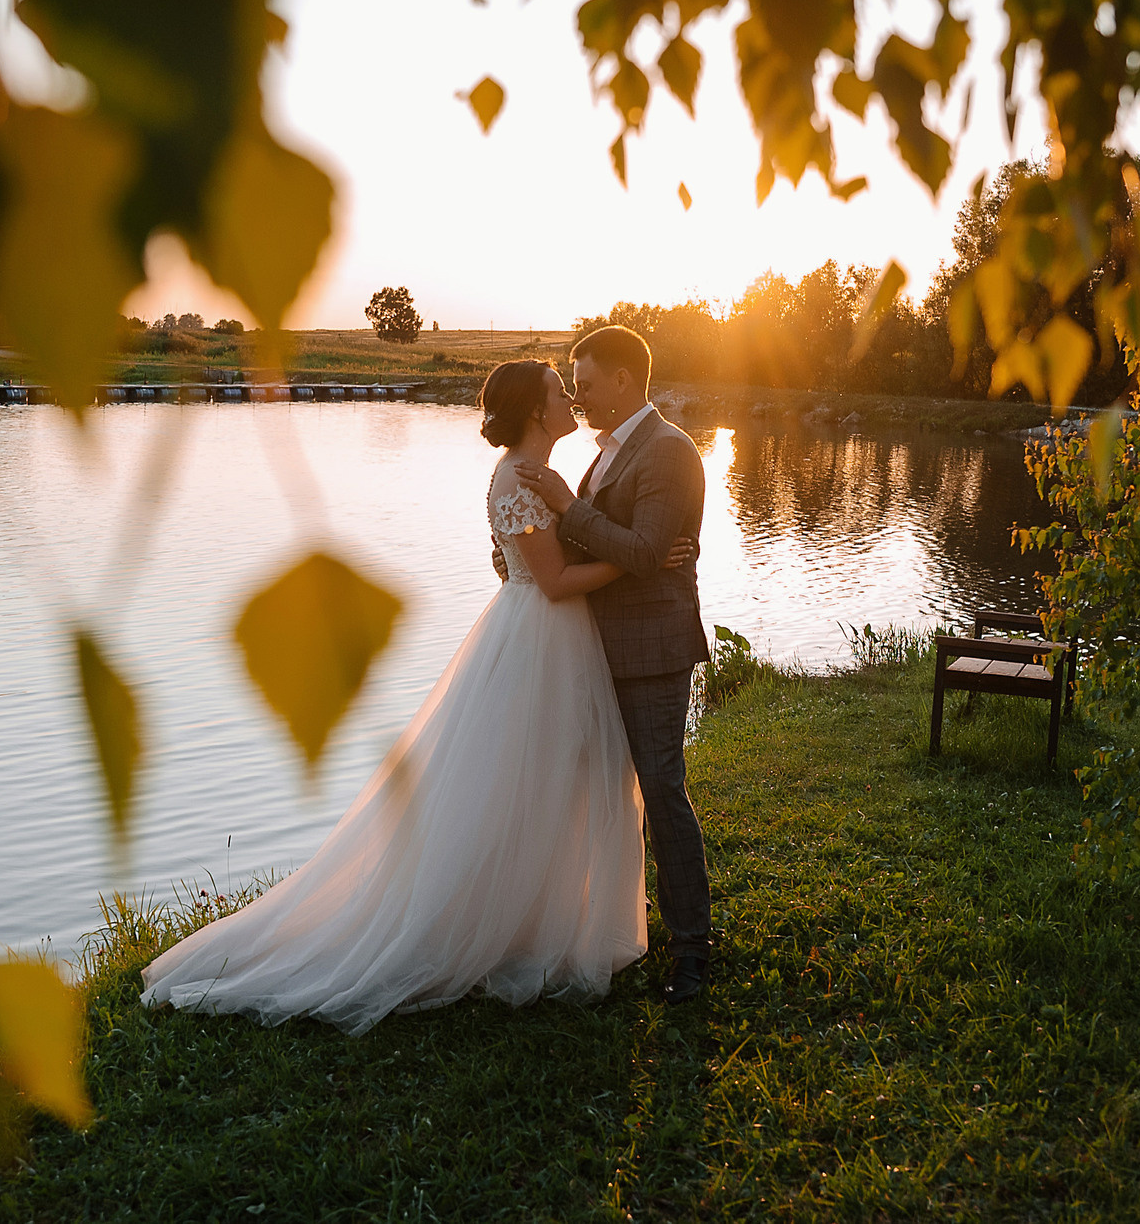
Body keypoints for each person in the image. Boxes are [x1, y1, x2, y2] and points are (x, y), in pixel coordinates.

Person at [139, 359, 691, 1033]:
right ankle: (486, 928)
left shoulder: (544, 475)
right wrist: (641, 556)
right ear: (536, 412)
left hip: (554, 638)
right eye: (558, 389)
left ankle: (539, 920)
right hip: (540, 634)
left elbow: (536, 552)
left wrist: (583, 537)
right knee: (516, 787)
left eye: (575, 384)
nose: (570, 395)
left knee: (547, 786)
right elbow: (549, 579)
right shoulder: (521, 476)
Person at [511, 323, 713, 1006]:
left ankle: (693, 951)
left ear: (624, 379)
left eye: (588, 382)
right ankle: (604, 928)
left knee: (661, 790)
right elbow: (618, 547)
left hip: (652, 650)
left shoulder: (668, 450)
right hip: (597, 646)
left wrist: (569, 505)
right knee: (599, 797)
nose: (579, 393)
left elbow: (646, 548)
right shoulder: (607, 455)